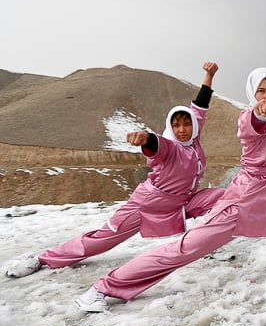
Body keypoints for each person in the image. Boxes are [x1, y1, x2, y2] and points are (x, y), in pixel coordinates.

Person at [73, 25, 266, 313]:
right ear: (252, 94)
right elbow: (256, 121)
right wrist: (259, 112)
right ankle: (102, 289)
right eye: (261, 91)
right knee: (185, 249)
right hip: (244, 202)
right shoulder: (250, 118)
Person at [5, 62, 225, 278]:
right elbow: (155, 144)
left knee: (223, 199)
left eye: (186, 124)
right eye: (176, 125)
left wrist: (209, 75)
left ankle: (206, 244)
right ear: (170, 127)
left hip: (183, 202)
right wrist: (145, 137)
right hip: (149, 204)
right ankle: (44, 258)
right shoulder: (170, 147)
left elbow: (200, 106)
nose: (182, 129)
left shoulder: (193, 137)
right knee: (103, 238)